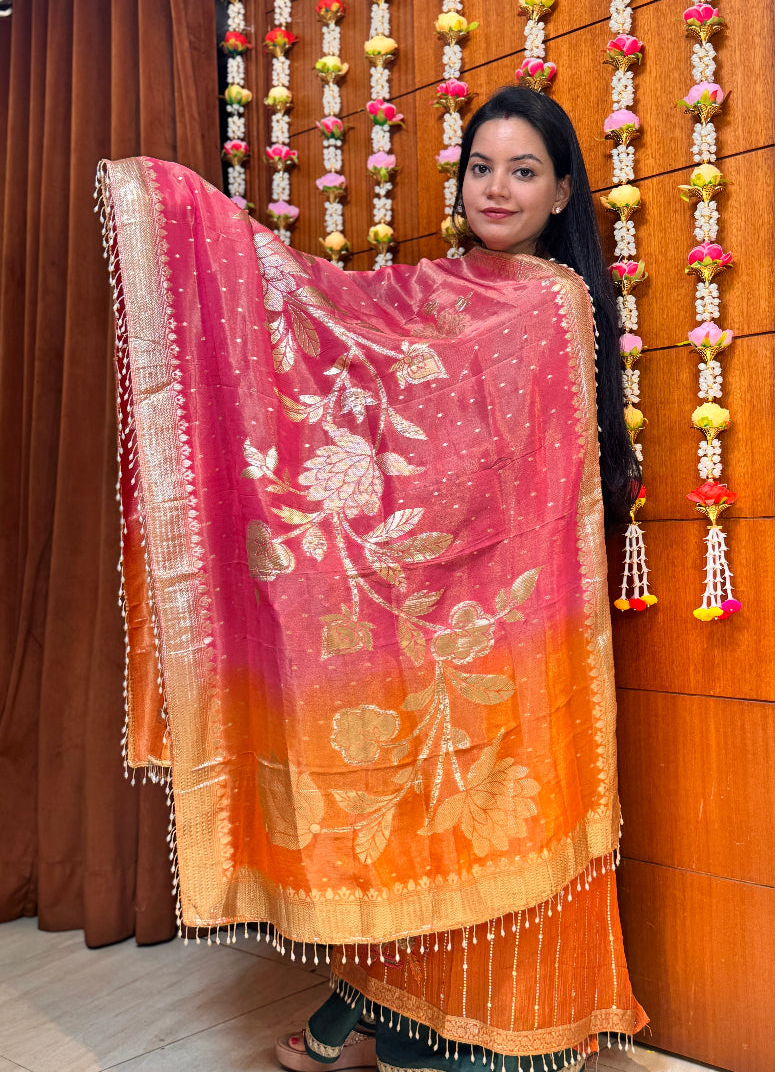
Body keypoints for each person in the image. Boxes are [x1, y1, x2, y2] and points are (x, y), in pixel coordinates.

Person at [98, 86, 646, 1072]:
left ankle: (483, 1029)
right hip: (425, 594)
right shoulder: (427, 289)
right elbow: (326, 310)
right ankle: (394, 1011)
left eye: (523, 170)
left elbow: (531, 472)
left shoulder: (553, 302)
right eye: (482, 166)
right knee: (422, 807)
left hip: (513, 605)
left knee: (496, 795)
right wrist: (200, 223)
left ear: (562, 189)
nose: (497, 186)